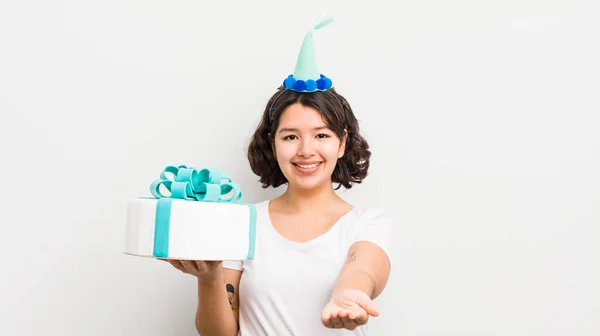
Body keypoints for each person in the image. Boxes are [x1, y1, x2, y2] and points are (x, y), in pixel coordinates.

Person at [163, 15, 393, 335]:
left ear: (342, 142)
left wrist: (348, 294)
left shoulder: (367, 222)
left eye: (321, 135)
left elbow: (363, 268)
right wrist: (209, 277)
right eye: (290, 136)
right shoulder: (242, 224)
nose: (306, 150)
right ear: (273, 144)